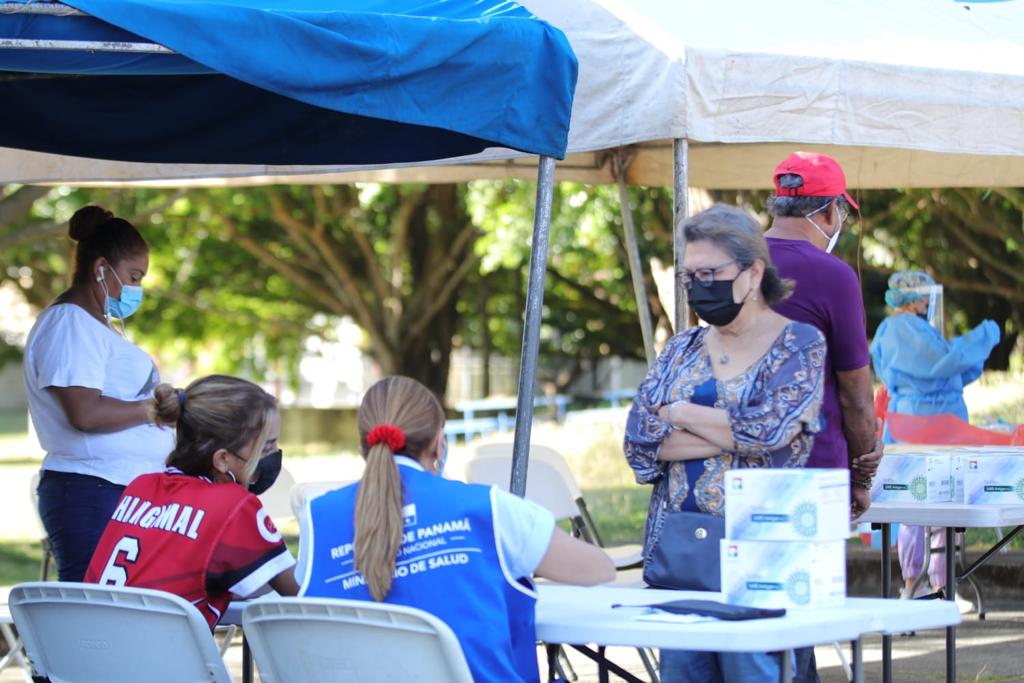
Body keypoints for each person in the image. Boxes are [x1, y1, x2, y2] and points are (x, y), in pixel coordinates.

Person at [297, 375, 614, 683]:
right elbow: (599, 569)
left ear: (362, 448)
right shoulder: (486, 507)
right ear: (439, 444)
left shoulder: (317, 517)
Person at [624, 204, 825, 683]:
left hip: (765, 556)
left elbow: (770, 431)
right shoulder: (681, 348)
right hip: (682, 560)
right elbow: (639, 441)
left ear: (753, 273)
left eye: (709, 274)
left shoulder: (799, 344)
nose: (697, 286)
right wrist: (734, 436)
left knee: (757, 673)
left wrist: (678, 413)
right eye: (689, 276)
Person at [764, 152, 883, 682]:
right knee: (800, 618)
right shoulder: (833, 275)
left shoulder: (731, 263)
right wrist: (862, 474)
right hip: (812, 473)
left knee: (754, 613)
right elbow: (856, 394)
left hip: (732, 469)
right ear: (830, 212)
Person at [23, 205, 174, 582]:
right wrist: (151, 410)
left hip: (114, 488)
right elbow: (85, 413)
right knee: (93, 606)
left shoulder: (92, 324)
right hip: (90, 490)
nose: (137, 288)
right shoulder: (70, 323)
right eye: (134, 276)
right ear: (102, 268)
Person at [85, 375, 298, 629]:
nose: (274, 456)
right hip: (160, 651)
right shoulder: (233, 505)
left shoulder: (141, 486)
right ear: (222, 460)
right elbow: (301, 593)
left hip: (92, 644)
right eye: (266, 448)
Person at [870, 270, 999, 605]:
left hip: (921, 423)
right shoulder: (901, 329)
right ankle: (922, 585)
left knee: (933, 504)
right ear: (913, 298)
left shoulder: (905, 329)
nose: (928, 303)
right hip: (927, 425)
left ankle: (935, 586)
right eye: (925, 297)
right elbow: (942, 364)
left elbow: (949, 368)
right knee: (925, 504)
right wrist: (983, 336)